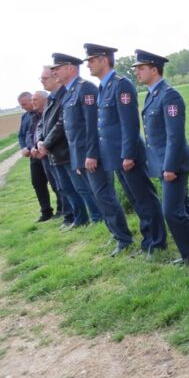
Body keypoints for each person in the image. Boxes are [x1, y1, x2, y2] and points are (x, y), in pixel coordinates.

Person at [84, 43, 167, 256]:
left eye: (92, 60)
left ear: (104, 59)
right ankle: (148, 241)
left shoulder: (121, 85)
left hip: (127, 155)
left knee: (145, 199)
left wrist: (128, 154)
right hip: (116, 157)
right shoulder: (104, 87)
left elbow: (129, 123)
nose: (89, 65)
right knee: (136, 200)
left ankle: (157, 243)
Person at [51, 52, 134, 256]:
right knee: (98, 198)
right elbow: (72, 130)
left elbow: (91, 126)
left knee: (104, 196)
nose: (54, 72)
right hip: (80, 156)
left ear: (71, 68)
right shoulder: (69, 92)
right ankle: (116, 235)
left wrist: (91, 154)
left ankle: (124, 238)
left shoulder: (85, 89)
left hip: (92, 156)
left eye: (58, 68)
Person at [133, 49, 189, 265]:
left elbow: (175, 135)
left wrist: (170, 167)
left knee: (172, 211)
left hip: (174, 163)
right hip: (164, 162)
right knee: (184, 205)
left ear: (154, 69)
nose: (137, 72)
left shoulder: (169, 95)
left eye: (141, 68)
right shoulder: (152, 94)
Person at [37, 64, 88, 229]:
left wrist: (46, 143)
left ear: (55, 78)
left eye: (45, 78)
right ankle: (76, 217)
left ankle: (85, 218)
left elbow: (61, 124)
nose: (42, 81)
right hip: (54, 152)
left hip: (64, 150)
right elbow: (41, 124)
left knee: (77, 188)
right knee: (64, 188)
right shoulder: (51, 99)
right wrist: (39, 140)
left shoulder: (64, 96)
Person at [17, 91, 54, 222]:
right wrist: (24, 148)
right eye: (21, 105)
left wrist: (38, 147)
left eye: (25, 104)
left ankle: (64, 209)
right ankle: (46, 211)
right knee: (37, 182)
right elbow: (22, 135)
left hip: (45, 153)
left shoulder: (44, 113)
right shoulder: (25, 117)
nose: (24, 107)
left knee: (56, 183)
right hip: (33, 155)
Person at [28, 89, 63, 218]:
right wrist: (35, 145)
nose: (32, 102)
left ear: (44, 100)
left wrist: (45, 145)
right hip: (40, 154)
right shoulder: (33, 116)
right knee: (54, 185)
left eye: (35, 100)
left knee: (61, 184)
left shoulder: (51, 110)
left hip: (53, 152)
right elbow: (34, 132)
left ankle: (65, 211)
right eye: (31, 100)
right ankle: (59, 212)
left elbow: (58, 128)